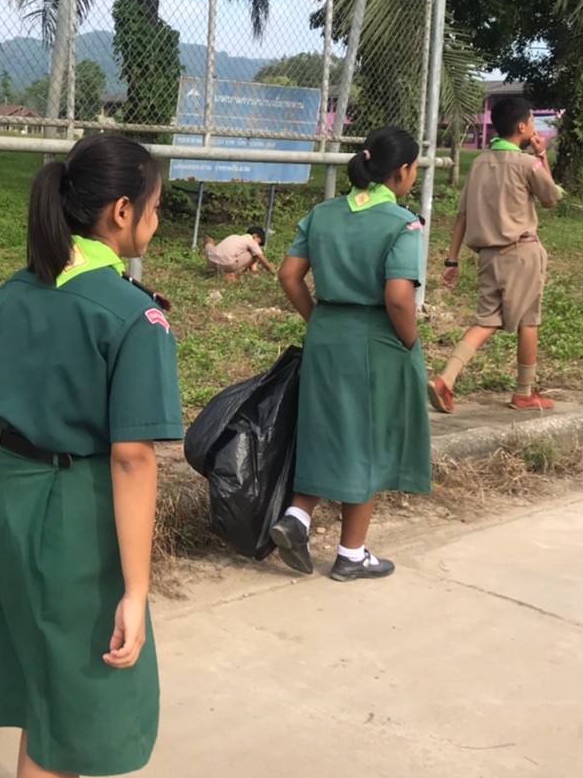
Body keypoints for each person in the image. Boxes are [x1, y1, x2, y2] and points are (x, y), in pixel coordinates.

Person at [0, 133, 181, 778]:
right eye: (153, 208)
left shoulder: (13, 293)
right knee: (72, 698)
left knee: (41, 680)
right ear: (121, 212)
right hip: (74, 514)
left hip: (9, 496)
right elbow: (131, 458)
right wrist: (136, 589)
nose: (155, 221)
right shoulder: (131, 316)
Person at [267, 128, 431, 580]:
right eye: (414, 168)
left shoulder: (322, 213)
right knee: (369, 441)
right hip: (376, 338)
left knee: (327, 430)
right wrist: (410, 341)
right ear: (402, 171)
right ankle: (351, 554)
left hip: (326, 334)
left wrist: (316, 318)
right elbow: (398, 297)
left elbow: (289, 275)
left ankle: (297, 517)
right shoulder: (402, 223)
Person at [428, 96, 562, 415]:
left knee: (486, 319)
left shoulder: (479, 163)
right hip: (522, 252)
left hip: (488, 256)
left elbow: (462, 215)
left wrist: (452, 260)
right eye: (532, 121)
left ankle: (446, 378)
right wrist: (542, 155)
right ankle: (523, 393)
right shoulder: (527, 164)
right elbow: (551, 198)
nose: (534, 126)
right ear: (522, 127)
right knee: (529, 320)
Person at [202, 227, 274, 280]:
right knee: (254, 255)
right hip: (227, 264)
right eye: (259, 243)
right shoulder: (251, 242)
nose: (258, 245)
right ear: (255, 236)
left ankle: (213, 269)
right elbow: (265, 262)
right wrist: (272, 272)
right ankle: (232, 274)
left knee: (209, 240)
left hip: (210, 260)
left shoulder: (234, 236)